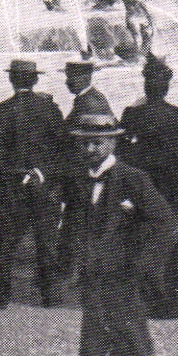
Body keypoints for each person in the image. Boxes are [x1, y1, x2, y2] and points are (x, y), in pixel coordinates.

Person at [56, 112, 178, 356]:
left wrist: (141, 265)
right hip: (95, 285)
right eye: (84, 142)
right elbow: (75, 227)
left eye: (97, 141)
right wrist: (71, 265)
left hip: (124, 288)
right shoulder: (80, 181)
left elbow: (169, 225)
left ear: (114, 141)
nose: (90, 148)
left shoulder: (133, 180)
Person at [117, 53, 178, 318]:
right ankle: (175, 296)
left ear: (145, 85)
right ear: (167, 87)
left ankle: (142, 297)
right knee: (176, 234)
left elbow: (120, 150)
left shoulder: (132, 114)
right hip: (173, 182)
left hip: (144, 182)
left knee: (141, 234)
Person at [0, 58, 65, 309]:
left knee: (6, 241)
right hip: (44, 185)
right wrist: (40, 171)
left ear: (11, 79)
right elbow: (62, 148)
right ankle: (51, 295)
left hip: (10, 185)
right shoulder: (50, 109)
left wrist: (16, 173)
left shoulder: (1, 110)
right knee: (46, 241)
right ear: (35, 79)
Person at [57, 59, 112, 279]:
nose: (67, 82)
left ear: (85, 78)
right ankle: (74, 269)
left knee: (80, 220)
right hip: (83, 171)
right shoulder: (88, 99)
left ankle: (76, 271)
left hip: (84, 171)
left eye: (71, 77)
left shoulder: (89, 103)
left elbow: (87, 141)